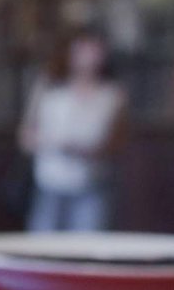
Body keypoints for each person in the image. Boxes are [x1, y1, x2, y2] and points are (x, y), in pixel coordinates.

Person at [18, 32, 128, 232]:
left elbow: (118, 142)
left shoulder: (113, 95)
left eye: (96, 51)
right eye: (84, 50)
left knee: (88, 249)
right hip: (50, 183)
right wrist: (51, 142)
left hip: (92, 184)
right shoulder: (49, 88)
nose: (91, 57)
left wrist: (90, 150)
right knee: (44, 248)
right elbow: (25, 137)